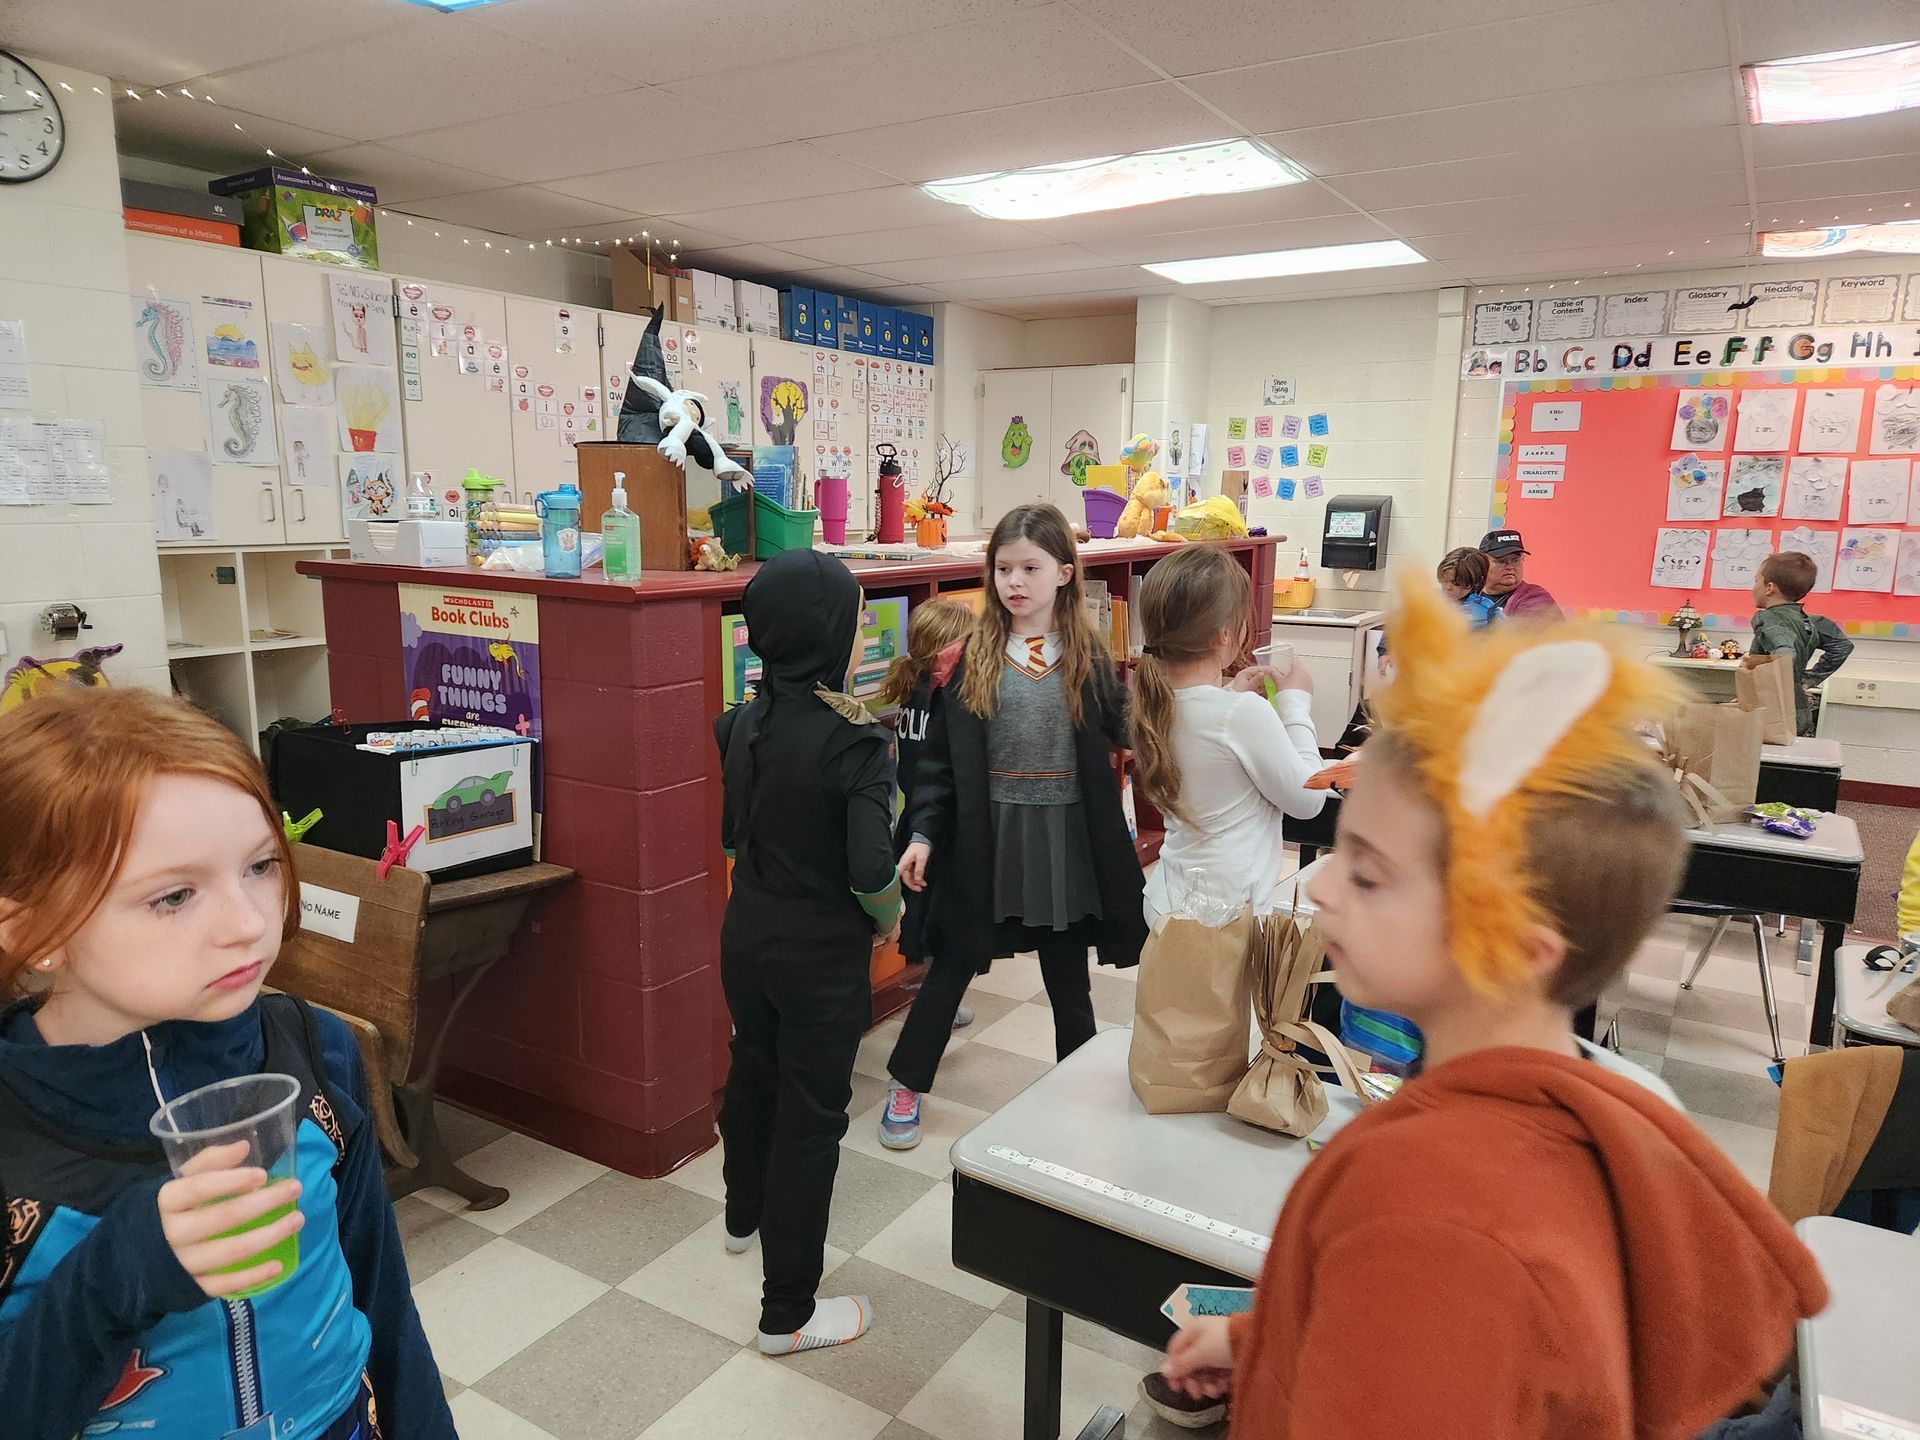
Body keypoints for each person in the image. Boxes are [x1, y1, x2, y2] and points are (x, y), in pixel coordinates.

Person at [1158, 574, 1826, 1437]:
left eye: (1368, 873)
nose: (1319, 886)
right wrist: (1268, 1342)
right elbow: (1442, 1353)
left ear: (1513, 943)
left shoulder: (1429, 1210)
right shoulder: (1607, 1101)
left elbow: (1440, 1308)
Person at [0, 686, 453, 1440]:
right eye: (174, 896)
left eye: (262, 865)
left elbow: (381, 1294)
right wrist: (120, 1272)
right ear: (34, 929)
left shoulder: (315, 1047)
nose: (249, 924)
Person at [886, 503, 1146, 1148]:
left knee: (1068, 976)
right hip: (985, 837)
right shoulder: (968, 657)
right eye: (1003, 568)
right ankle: (907, 1085)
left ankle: (1076, 1085)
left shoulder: (1087, 658)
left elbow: (1134, 731)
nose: (1015, 581)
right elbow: (940, 768)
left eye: (1030, 567)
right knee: (953, 964)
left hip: (1065, 840)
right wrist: (922, 833)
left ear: (1064, 572)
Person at [715, 549, 901, 1354]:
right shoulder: (858, 741)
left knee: (752, 1063)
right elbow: (869, 869)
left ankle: (740, 1214)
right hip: (819, 951)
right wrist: (890, 918)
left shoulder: (739, 719)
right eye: (856, 619)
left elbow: (739, 827)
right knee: (812, 1121)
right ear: (831, 635)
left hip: (746, 933)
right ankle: (787, 1312)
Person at [1131, 543, 1323, 925]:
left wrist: (1232, 694)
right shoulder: (1239, 714)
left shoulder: (1156, 700)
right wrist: (1295, 705)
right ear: (1224, 634)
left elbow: (1205, 741)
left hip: (1170, 899)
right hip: (1223, 915)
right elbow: (1308, 799)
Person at [875, 597, 981, 1053]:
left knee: (927, 915)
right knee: (952, 921)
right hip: (943, 830)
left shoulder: (910, 690)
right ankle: (941, 996)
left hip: (912, 821)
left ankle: (937, 987)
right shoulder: (948, 702)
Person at [1747, 550, 1855, 737]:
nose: (1753, 587)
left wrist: (1769, 690)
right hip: (1800, 710)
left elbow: (1785, 652)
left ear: (1769, 587)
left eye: (1756, 581)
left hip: (1773, 713)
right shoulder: (1811, 621)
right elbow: (1843, 646)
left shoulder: (1768, 618)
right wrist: (1808, 679)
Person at [1477, 527, 1563, 619]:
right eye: (1501, 561)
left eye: (1515, 560)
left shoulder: (1536, 598)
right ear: (1482, 564)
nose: (1510, 567)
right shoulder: (1468, 592)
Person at [1435, 546, 1499, 627]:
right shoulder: (1432, 601)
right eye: (1443, 580)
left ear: (1477, 582)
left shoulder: (1484, 613)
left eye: (1456, 582)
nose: (1447, 587)